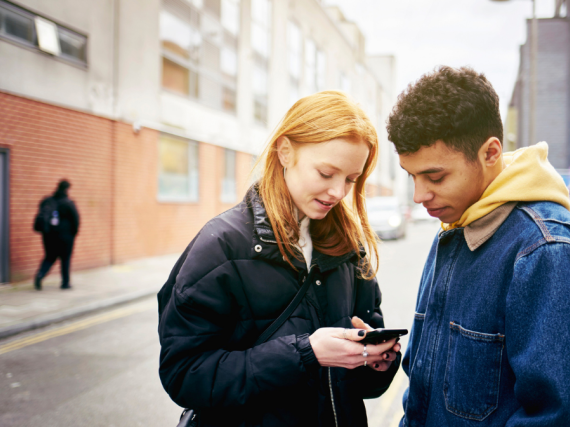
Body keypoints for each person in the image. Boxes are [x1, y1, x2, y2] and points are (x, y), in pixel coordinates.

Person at [157, 91, 402, 427]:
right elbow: (184, 375)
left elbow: (358, 385)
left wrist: (376, 361)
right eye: (326, 173)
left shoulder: (348, 247)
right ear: (285, 151)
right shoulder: (222, 245)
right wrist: (305, 353)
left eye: (350, 180)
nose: (338, 193)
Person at [386, 66, 570, 426]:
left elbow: (552, 415)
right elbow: (421, 385)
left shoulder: (544, 249)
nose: (420, 195)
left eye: (435, 177)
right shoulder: (455, 223)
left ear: (490, 153)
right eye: (412, 176)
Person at [33, 179, 80, 290]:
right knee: (65, 258)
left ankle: (40, 275)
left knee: (49, 257)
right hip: (66, 236)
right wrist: (74, 233)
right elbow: (76, 220)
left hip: (49, 235)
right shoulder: (68, 203)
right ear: (67, 189)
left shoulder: (48, 201)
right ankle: (65, 283)